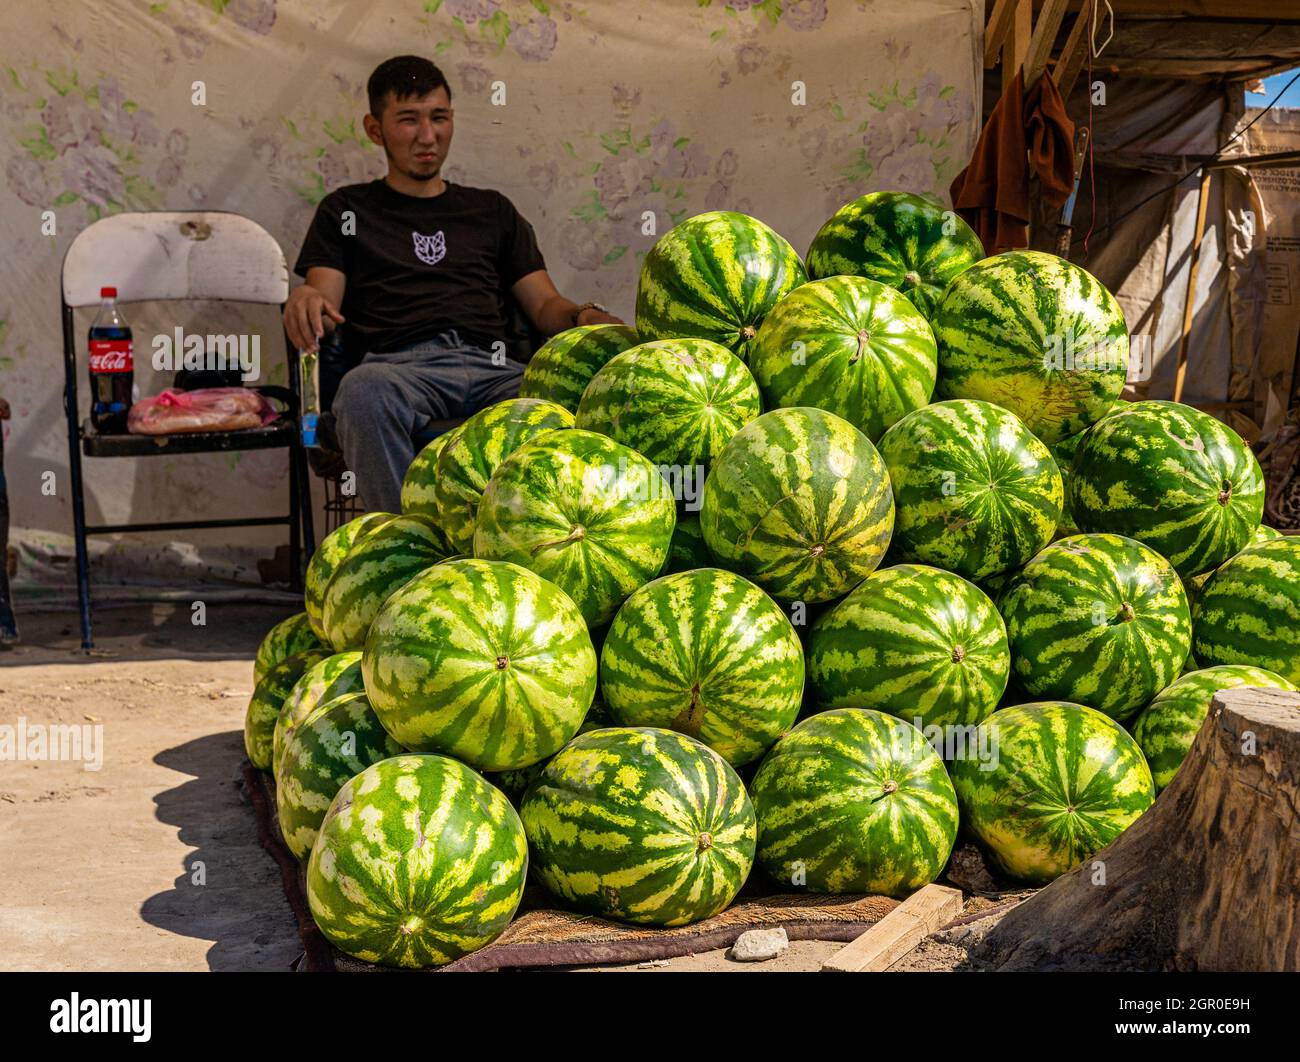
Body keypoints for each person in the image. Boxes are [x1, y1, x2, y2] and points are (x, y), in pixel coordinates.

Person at [285, 55, 623, 513]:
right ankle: (410, 542)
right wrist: (305, 295)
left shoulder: (492, 212)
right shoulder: (346, 210)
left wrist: (585, 316)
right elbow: (324, 300)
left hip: (494, 368)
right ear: (374, 128)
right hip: (400, 370)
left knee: (582, 396)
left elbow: (545, 306)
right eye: (408, 120)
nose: (428, 136)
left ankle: (551, 533)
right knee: (363, 391)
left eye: (439, 118)